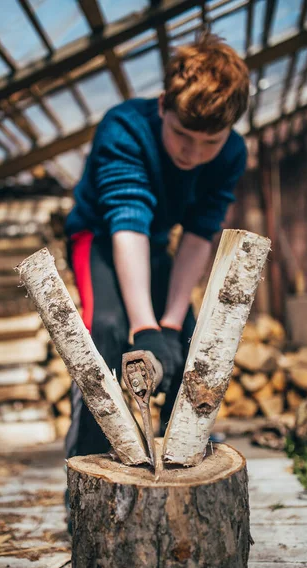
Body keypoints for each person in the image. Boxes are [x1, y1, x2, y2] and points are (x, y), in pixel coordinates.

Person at [64, 32, 250, 460]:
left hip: (156, 242)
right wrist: (144, 327)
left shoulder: (232, 154)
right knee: (108, 331)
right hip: (100, 235)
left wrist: (166, 325)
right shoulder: (124, 128)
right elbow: (127, 222)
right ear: (164, 104)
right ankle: (87, 460)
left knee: (189, 339)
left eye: (211, 142)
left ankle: (178, 451)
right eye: (184, 134)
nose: (194, 152)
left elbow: (201, 233)